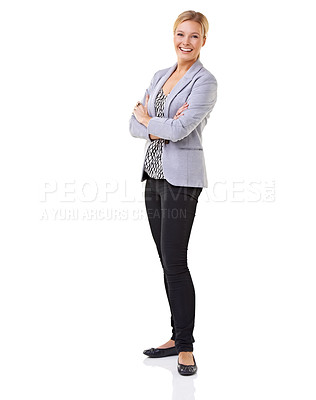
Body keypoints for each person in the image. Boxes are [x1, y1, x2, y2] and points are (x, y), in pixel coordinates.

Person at [129, 10, 217, 376]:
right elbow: (132, 124)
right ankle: (174, 336)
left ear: (203, 40)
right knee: (166, 262)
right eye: (181, 34)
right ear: (173, 35)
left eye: (194, 36)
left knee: (176, 264)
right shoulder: (159, 76)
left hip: (182, 181)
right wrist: (153, 124)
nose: (186, 41)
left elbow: (180, 130)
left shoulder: (205, 82)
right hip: (153, 175)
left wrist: (151, 119)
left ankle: (186, 348)